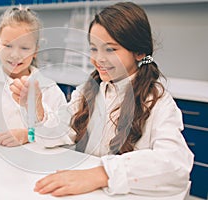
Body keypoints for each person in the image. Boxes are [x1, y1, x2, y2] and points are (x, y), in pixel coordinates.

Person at [29, 2, 193, 197]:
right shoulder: (87, 92)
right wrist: (37, 108)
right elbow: (58, 132)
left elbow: (176, 165)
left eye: (110, 50)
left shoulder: (157, 102)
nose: (98, 59)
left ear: (139, 52)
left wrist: (101, 174)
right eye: (93, 49)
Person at [0, 6, 66, 150]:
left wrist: (29, 135)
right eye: (8, 46)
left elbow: (62, 134)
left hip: (36, 165)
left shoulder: (49, 89)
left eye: (24, 48)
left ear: (35, 50)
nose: (15, 55)